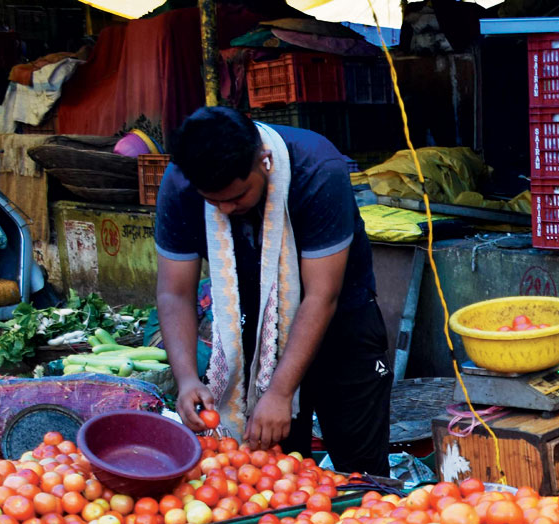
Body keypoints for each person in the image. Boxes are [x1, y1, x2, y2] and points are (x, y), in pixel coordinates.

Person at [154, 106, 390, 476]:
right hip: (255, 330)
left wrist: (279, 393)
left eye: (237, 197)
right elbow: (174, 293)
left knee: (362, 473)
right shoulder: (181, 183)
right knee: (269, 474)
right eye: (214, 202)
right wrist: (186, 379)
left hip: (341, 323)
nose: (227, 209)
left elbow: (321, 296)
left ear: (264, 162)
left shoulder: (317, 170)